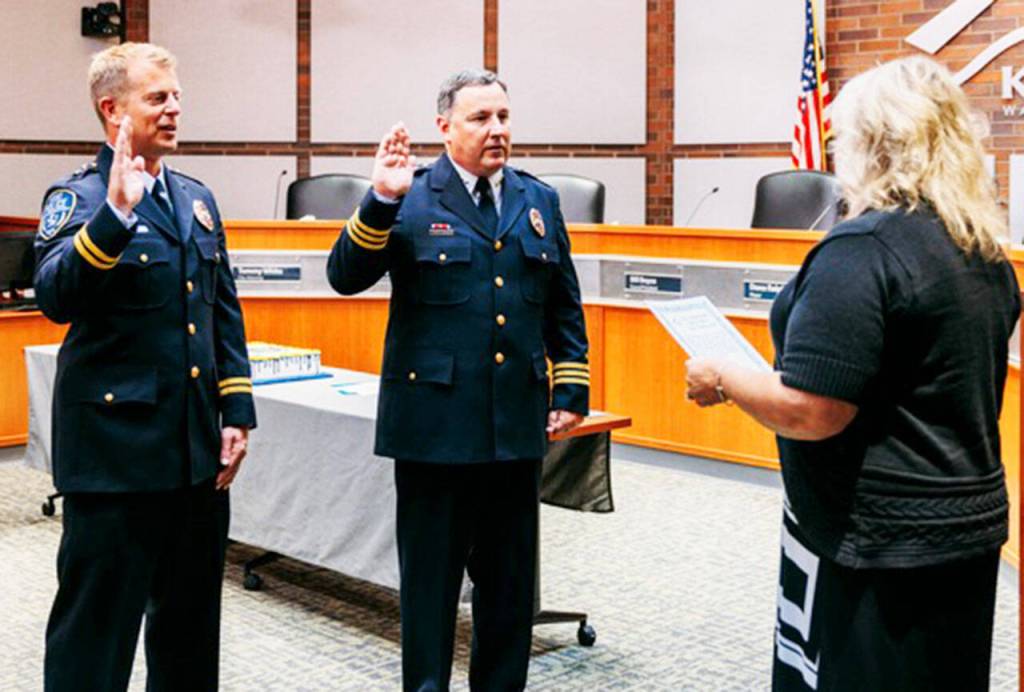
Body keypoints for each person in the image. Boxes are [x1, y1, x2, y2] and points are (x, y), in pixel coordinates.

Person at [687, 56, 1020, 691]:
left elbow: (813, 410)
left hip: (877, 544)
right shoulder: (979, 247)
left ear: (876, 144)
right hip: (962, 527)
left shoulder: (863, 249)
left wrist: (723, 373)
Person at [326, 69, 590, 691]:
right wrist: (379, 200)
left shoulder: (538, 200)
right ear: (444, 127)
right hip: (434, 433)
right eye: (480, 118)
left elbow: (563, 305)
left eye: (503, 117)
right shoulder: (409, 196)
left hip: (513, 430)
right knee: (431, 589)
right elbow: (344, 275)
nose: (496, 130)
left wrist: (571, 387)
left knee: (508, 590)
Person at [34, 43, 256, 691]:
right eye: (158, 98)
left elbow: (222, 311)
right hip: (114, 462)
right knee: (95, 636)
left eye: (177, 96)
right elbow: (54, 297)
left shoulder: (194, 198)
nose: (175, 108)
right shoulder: (78, 198)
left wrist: (236, 410)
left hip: (192, 458)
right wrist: (117, 215)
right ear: (113, 110)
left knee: (188, 634)